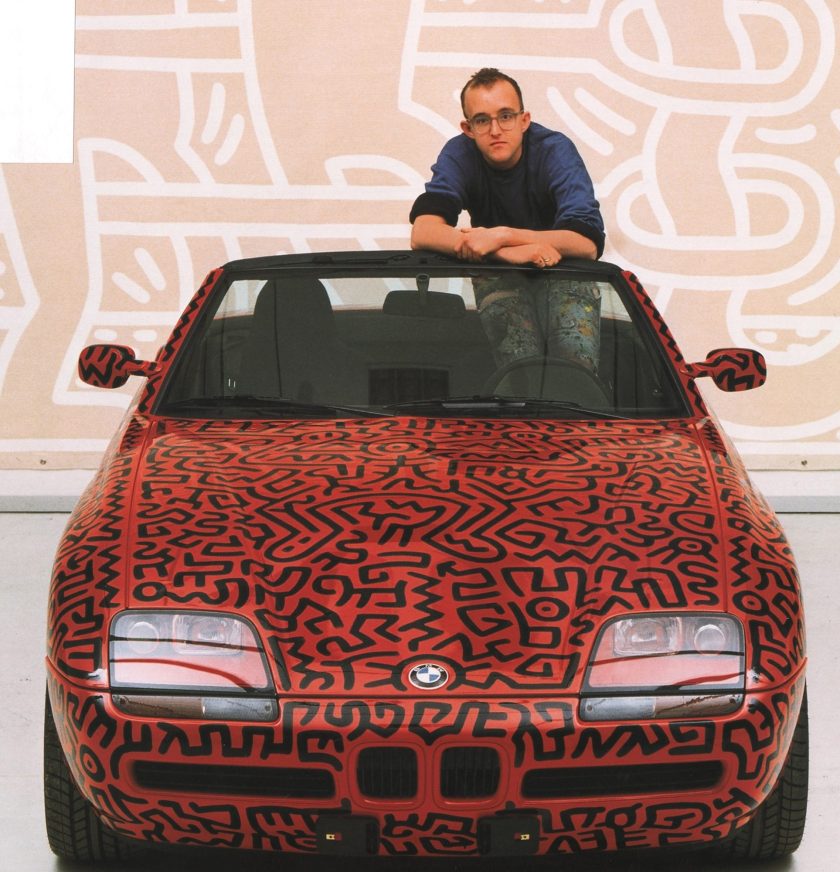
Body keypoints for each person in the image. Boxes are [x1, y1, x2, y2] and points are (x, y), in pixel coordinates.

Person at [409, 67, 605, 372]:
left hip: (564, 270)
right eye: (482, 120)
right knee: (520, 373)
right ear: (468, 128)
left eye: (506, 116)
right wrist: (509, 254)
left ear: (524, 120)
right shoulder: (459, 154)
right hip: (498, 271)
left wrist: (501, 236)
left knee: (575, 375)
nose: (496, 130)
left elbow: (586, 244)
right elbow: (423, 232)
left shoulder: (554, 150)